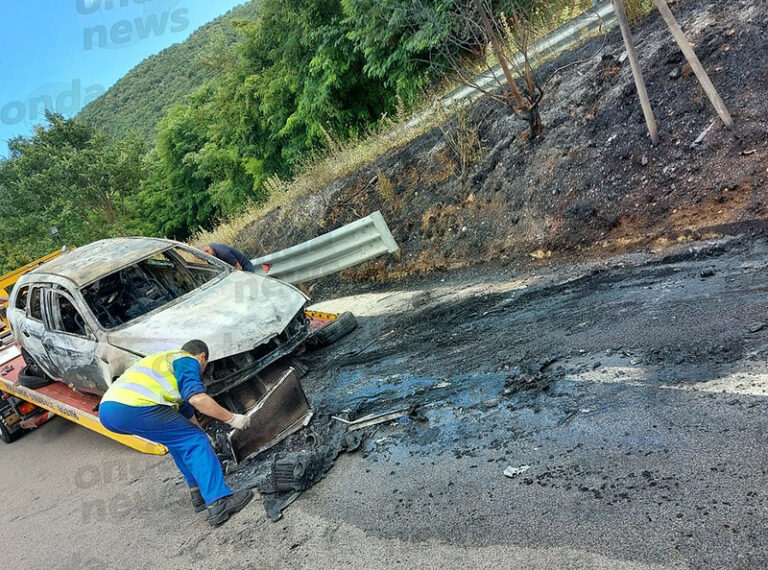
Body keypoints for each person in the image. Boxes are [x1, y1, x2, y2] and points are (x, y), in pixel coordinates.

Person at [99, 339, 254, 526]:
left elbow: (187, 414)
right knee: (194, 441)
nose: (203, 370)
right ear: (202, 357)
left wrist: (204, 436)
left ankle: (197, 493)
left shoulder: (162, 364)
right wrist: (233, 419)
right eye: (205, 365)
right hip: (132, 406)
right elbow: (197, 399)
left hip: (109, 411)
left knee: (179, 441)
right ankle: (219, 501)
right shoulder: (186, 359)